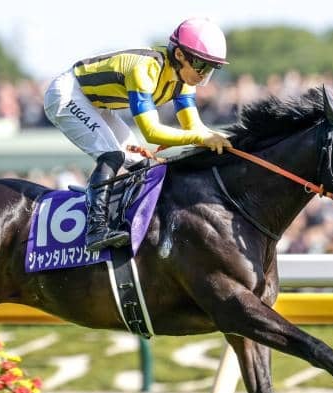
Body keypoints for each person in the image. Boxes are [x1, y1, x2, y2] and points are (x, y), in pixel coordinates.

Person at [44, 17, 233, 252]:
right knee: (112, 155)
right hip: (67, 95)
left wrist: (227, 140)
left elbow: (195, 128)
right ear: (180, 55)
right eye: (201, 65)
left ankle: (127, 217)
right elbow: (152, 132)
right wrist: (201, 138)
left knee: (141, 165)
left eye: (210, 68)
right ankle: (96, 229)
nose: (203, 75)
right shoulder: (145, 68)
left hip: (96, 104)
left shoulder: (184, 80)